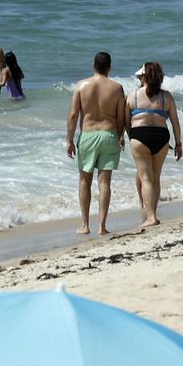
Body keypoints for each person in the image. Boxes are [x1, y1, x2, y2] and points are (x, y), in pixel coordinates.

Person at [66, 51, 129, 235]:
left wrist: (69, 140)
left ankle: (85, 225)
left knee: (84, 180)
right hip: (109, 134)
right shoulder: (117, 88)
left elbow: (72, 115)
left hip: (88, 134)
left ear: (93, 66)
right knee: (105, 182)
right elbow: (121, 117)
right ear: (109, 67)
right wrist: (120, 136)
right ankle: (102, 226)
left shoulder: (81, 86)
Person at [128, 62, 183, 230]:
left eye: (140, 76)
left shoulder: (134, 95)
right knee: (155, 178)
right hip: (161, 136)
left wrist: (126, 138)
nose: (139, 78)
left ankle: (150, 216)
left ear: (144, 77)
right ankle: (153, 212)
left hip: (140, 135)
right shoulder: (167, 96)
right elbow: (175, 122)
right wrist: (179, 144)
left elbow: (125, 121)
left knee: (145, 178)